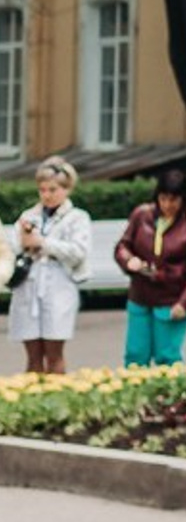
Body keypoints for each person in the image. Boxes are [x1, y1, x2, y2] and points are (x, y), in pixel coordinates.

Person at [114, 165, 186, 366]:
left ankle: (169, 397)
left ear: (184, 198)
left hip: (172, 298)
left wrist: (185, 302)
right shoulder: (141, 215)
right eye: (163, 198)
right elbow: (123, 246)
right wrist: (128, 259)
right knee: (135, 355)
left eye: (174, 199)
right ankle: (136, 395)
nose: (167, 204)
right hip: (140, 294)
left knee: (167, 356)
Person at [9, 157, 90, 373]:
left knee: (54, 354)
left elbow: (78, 252)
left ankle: (57, 400)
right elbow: (12, 247)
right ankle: (32, 401)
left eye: (53, 189)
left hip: (59, 286)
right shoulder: (28, 216)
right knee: (32, 355)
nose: (47, 195)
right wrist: (24, 241)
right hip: (29, 286)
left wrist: (43, 243)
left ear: (66, 189)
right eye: (42, 190)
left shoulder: (77, 218)